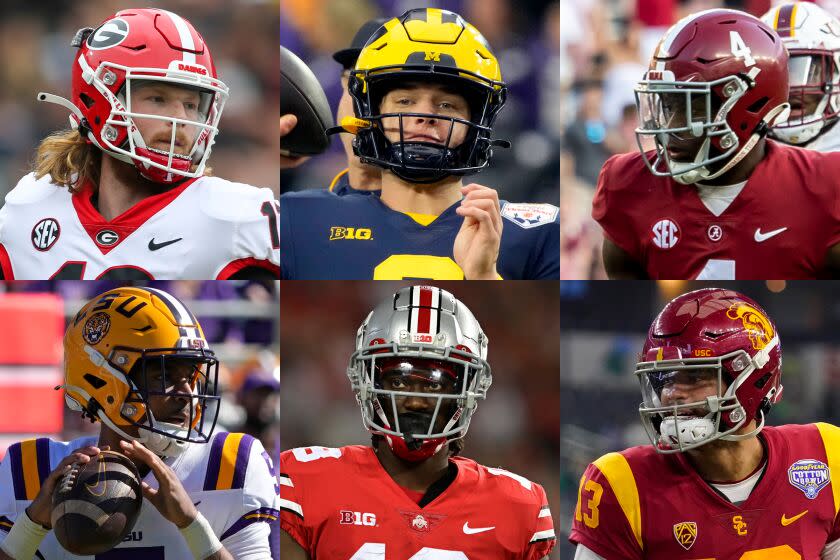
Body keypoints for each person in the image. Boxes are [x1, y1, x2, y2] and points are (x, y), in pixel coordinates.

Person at [0, 8, 280, 280]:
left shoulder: (239, 217)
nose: (181, 119)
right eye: (158, 99)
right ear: (99, 100)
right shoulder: (29, 207)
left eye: (191, 104)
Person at [0, 287, 279, 559]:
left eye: (191, 376)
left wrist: (193, 525)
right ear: (100, 381)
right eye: (163, 376)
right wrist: (32, 525)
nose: (186, 394)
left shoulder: (229, 465)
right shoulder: (31, 471)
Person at [280, 8, 559, 280]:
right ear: (368, 112)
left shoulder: (538, 232)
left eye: (447, 105)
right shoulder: (298, 219)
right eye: (405, 101)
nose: (425, 116)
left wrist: (484, 276)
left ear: (479, 120)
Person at [280, 285, 556, 558]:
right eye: (398, 381)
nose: (415, 401)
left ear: (466, 393)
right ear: (367, 382)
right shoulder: (305, 482)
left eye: (435, 386)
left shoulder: (518, 506)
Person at [570, 287, 840, 559]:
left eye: (695, 376)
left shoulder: (827, 453)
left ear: (754, 380)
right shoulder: (620, 483)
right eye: (665, 379)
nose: (672, 394)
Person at [593, 9, 840, 279]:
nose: (671, 126)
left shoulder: (826, 186)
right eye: (668, 104)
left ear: (751, 105)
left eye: (692, 106)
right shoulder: (627, 183)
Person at [761, 2, 840, 151]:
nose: (791, 89)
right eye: (776, 75)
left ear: (835, 73)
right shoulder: (743, 152)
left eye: (805, 72)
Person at [327, 17, 388, 195]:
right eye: (354, 84)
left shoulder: (464, 216)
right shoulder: (300, 209)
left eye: (381, 90)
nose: (361, 107)